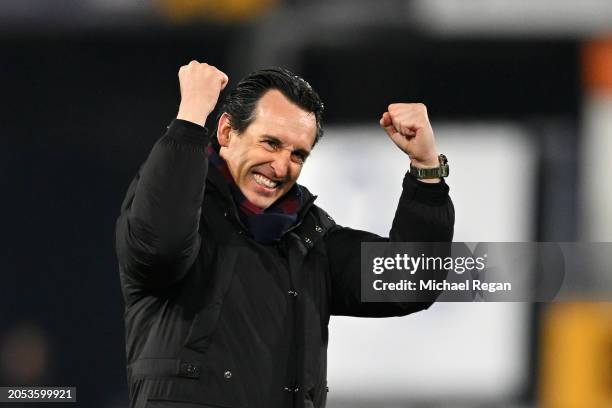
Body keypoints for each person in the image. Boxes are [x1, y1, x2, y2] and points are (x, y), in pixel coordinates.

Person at [115, 60, 454, 408]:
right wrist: (189, 118)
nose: (281, 166)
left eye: (297, 155)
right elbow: (161, 249)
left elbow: (411, 282)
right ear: (227, 133)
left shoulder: (308, 238)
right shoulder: (179, 209)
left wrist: (427, 168)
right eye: (271, 143)